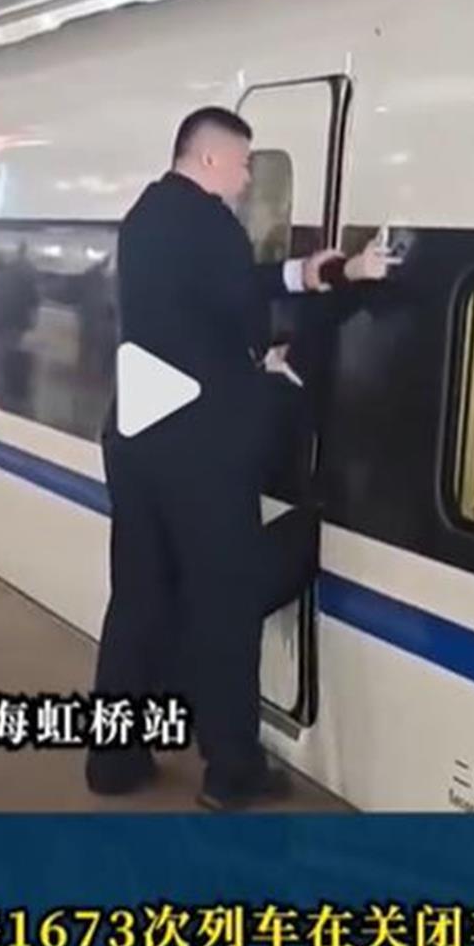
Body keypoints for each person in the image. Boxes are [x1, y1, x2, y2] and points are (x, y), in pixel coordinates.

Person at [86, 106, 387, 810]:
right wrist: (282, 341)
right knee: (224, 603)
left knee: (137, 599)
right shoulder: (213, 223)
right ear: (210, 159)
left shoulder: (146, 215)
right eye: (244, 163)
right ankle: (231, 770)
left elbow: (209, 298)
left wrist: (308, 273)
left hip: (137, 437)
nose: (249, 177)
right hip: (201, 448)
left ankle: (113, 759)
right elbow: (247, 314)